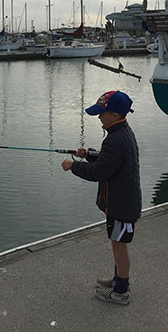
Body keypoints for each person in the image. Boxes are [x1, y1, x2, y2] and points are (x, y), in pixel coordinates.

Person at [61, 90, 141, 306]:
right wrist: (88, 154)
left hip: (122, 205)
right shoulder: (121, 133)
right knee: (116, 242)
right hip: (120, 202)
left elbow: (99, 172)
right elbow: (109, 160)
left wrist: (73, 165)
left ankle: (121, 292)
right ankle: (118, 280)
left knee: (120, 245)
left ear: (115, 115)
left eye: (102, 113)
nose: (99, 117)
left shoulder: (116, 139)